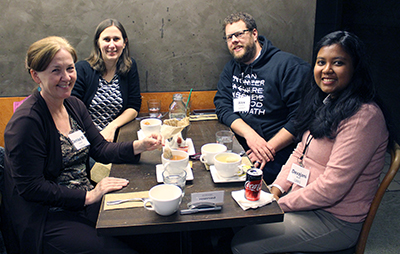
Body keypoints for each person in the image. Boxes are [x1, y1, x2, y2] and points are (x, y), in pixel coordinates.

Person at [231, 31, 392, 253]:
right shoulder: (327, 101)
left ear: (355, 68)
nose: (327, 70)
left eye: (338, 63)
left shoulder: (364, 117)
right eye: (320, 62)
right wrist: (276, 190)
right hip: (302, 203)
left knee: (242, 244)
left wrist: (277, 206)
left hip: (334, 219)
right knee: (237, 222)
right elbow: (299, 153)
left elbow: (332, 188)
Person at [1, 36, 163, 254]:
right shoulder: (26, 122)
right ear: (35, 75)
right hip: (49, 217)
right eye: (55, 71)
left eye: (70, 68)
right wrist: (89, 196)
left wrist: (140, 145)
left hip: (82, 204)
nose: (66, 77)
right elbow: (31, 188)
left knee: (154, 233)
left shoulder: (73, 105)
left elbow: (100, 148)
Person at [214, 12, 310, 184]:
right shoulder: (231, 69)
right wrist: (250, 135)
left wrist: (267, 148)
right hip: (242, 146)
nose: (233, 40)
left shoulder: (289, 66)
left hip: (278, 152)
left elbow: (300, 118)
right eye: (229, 37)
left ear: (254, 33)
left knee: (245, 189)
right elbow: (222, 106)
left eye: (239, 34)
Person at [72, 18, 141, 142]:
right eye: (106, 39)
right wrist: (96, 137)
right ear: (98, 43)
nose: (112, 45)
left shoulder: (130, 67)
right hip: (86, 140)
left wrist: (111, 127)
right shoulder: (82, 69)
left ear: (124, 43)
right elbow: (73, 110)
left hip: (115, 138)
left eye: (116, 39)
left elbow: (133, 107)